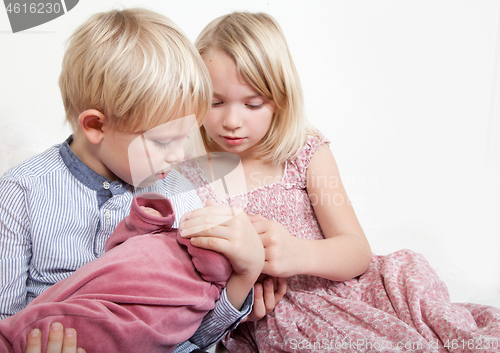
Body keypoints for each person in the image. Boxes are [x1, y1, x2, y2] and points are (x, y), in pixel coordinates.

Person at [179, 11, 500, 352]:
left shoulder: (304, 153)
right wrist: (240, 306)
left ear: (280, 100)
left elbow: (356, 250)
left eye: (253, 103)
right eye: (215, 102)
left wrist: (295, 253)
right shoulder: (187, 178)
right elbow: (197, 292)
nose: (231, 121)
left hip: (346, 291)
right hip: (278, 323)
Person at [0, 8, 265, 353]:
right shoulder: (21, 192)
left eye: (185, 138)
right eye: (163, 141)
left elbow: (195, 335)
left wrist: (244, 275)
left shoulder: (179, 192)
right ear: (95, 126)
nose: (180, 155)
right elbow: (6, 321)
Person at [0, 192, 235, 353]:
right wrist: (147, 220)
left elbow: (217, 264)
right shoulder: (24, 188)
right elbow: (117, 247)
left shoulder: (214, 273)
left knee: (57, 327)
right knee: (42, 316)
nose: (177, 156)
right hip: (89, 290)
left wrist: (194, 232)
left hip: (116, 323)